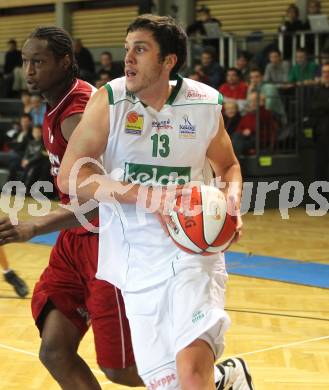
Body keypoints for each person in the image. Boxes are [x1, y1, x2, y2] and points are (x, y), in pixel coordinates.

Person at [59, 14, 254, 390]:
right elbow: (71, 176)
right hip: (135, 258)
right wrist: (147, 195)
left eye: (141, 49)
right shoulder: (110, 101)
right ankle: (226, 378)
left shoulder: (203, 103)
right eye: (127, 48)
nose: (127, 58)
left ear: (169, 61)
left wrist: (231, 202)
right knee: (167, 384)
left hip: (193, 250)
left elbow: (228, 165)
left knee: (190, 376)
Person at [21, 26, 142, 389]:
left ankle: (214, 380)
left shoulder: (77, 114)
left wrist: (34, 227)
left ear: (66, 61)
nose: (29, 70)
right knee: (54, 349)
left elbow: (102, 202)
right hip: (76, 239)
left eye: (38, 62)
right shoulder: (58, 102)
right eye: (26, 61)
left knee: (120, 370)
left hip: (107, 242)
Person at [309, 63, 329, 182]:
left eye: (328, 72)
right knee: (321, 165)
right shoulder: (318, 91)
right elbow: (312, 107)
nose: (326, 74)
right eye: (324, 72)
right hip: (320, 133)